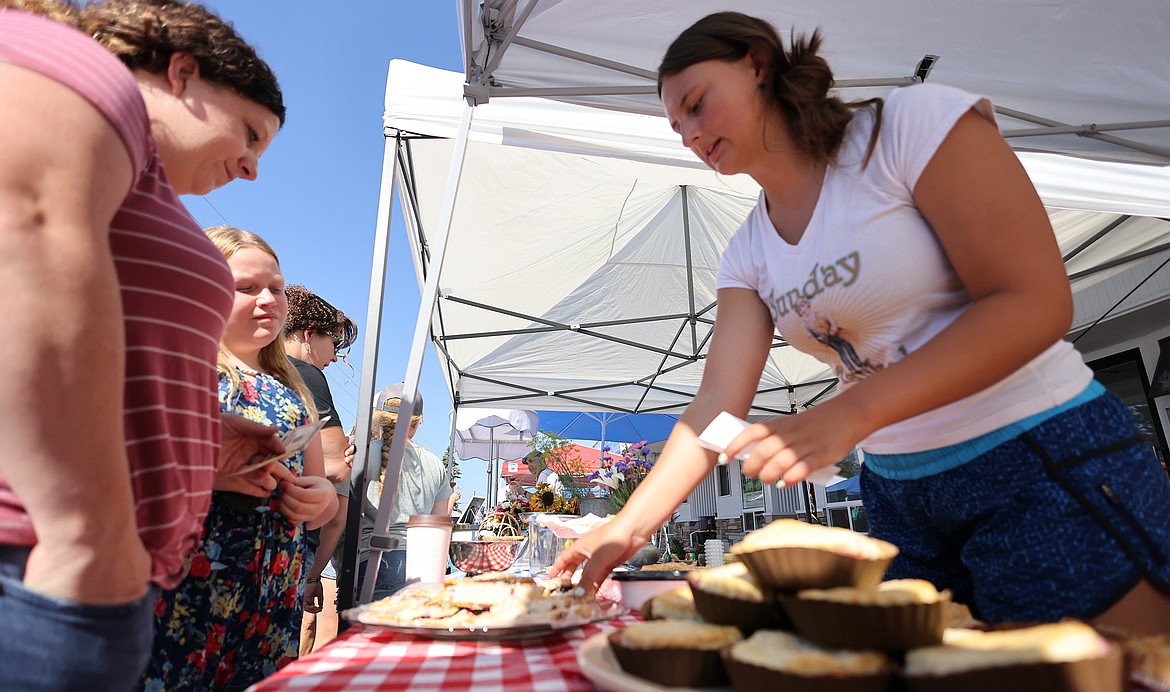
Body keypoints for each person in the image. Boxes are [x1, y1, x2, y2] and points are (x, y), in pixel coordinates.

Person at [552, 11, 1170, 636]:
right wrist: (625, 527)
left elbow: (1034, 301)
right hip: (900, 497)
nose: (687, 132)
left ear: (756, 65)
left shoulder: (906, 128)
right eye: (676, 123)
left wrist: (844, 417)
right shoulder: (747, 252)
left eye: (695, 103)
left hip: (1037, 455)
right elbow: (713, 407)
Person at [0, 2, 287, 692]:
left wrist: (205, 428)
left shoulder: (131, 172)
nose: (254, 167)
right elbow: (24, 235)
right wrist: (82, 533)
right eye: (251, 134)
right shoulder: (87, 76)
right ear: (183, 75)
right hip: (31, 562)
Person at [83, 227, 338, 692]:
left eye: (278, 287)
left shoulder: (293, 386)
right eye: (247, 286)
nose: (269, 300)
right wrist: (211, 473)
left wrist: (316, 502)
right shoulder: (171, 363)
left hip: (266, 606)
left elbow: (323, 494)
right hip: (173, 605)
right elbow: (101, 470)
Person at [283, 284, 358, 655]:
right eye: (335, 344)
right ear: (309, 334)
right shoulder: (306, 376)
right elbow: (335, 470)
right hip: (284, 547)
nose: (336, 356)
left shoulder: (250, 368)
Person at [350, 383, 452, 600]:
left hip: (370, 560)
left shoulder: (361, 457)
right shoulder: (435, 464)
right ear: (416, 424)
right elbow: (438, 526)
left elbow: (341, 518)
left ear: (378, 418)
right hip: (419, 565)